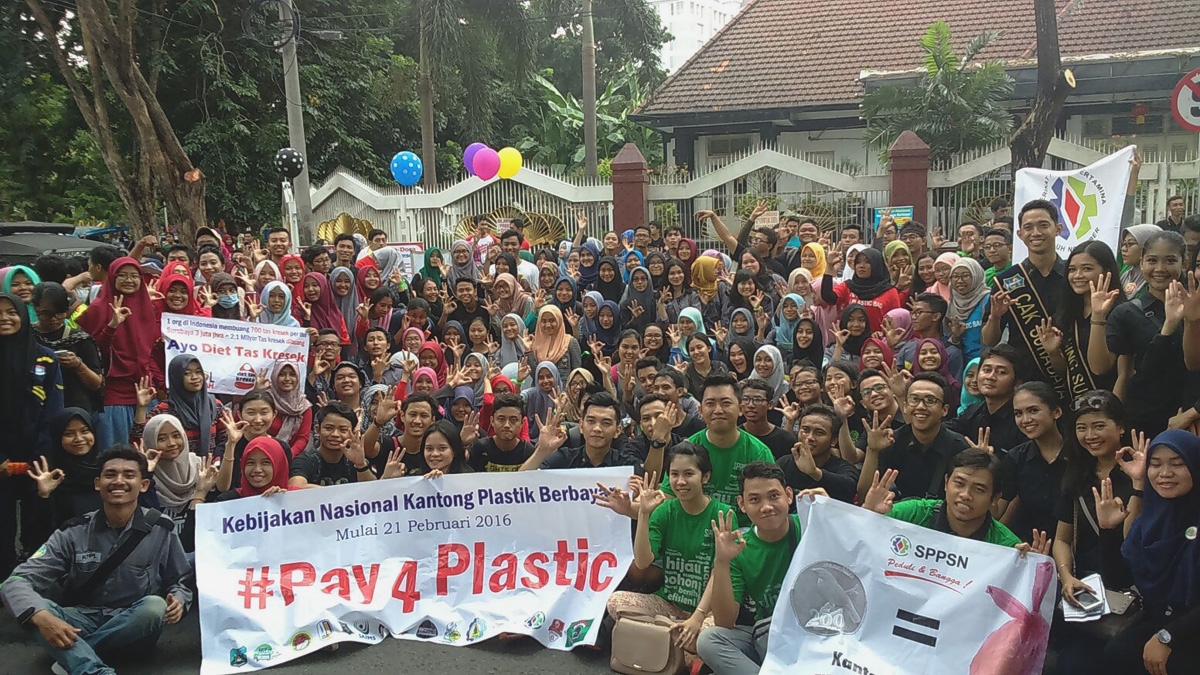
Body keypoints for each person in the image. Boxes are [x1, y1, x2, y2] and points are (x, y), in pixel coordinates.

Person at [1, 446, 192, 675]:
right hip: (81, 619)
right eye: (110, 475)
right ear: (97, 483)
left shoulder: (161, 528)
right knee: (33, 609)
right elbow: (15, 582)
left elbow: (180, 579)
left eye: (129, 475)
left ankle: (74, 655)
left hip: (133, 623)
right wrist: (42, 618)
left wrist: (179, 599)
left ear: (143, 485)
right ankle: (93, 669)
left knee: (154, 607)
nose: (118, 481)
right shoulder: (73, 531)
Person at [596, 443, 732, 658]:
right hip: (670, 605)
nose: (680, 481)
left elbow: (719, 571)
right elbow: (642, 562)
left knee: (710, 636)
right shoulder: (665, 511)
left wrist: (698, 616)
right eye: (674, 474)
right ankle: (683, 648)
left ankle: (662, 641)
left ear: (705, 477)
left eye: (689, 474)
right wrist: (643, 514)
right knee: (615, 602)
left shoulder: (723, 514)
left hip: (708, 612)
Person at [1052, 390, 1147, 673]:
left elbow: (1133, 540)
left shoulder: (1143, 474)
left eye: (1099, 426)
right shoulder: (1076, 475)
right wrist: (1067, 575)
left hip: (1134, 592)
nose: (1090, 435)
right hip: (1089, 592)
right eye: (1081, 428)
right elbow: (1061, 539)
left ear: (1120, 427)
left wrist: (1139, 485)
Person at [1099, 430, 1200, 673]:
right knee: (1116, 652)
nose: (1165, 473)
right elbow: (1119, 580)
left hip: (1187, 629)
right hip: (1161, 620)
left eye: (1178, 464)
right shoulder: (1151, 519)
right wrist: (1109, 530)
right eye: (1155, 464)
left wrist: (1167, 636)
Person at [696, 462, 802, 674]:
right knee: (709, 640)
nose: (766, 507)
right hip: (769, 639)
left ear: (788, 496)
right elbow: (724, 621)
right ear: (742, 504)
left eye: (774, 496)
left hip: (815, 632)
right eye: (755, 499)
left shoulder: (809, 525)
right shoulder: (740, 547)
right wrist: (722, 561)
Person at [0, 292, 65, 577]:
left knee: (38, 523)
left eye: (11, 312)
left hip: (37, 460)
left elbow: (53, 409)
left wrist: (41, 458)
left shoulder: (46, 358)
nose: (5, 318)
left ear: (24, 316)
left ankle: (35, 580)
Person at [862, 450, 1042, 552]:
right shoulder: (914, 512)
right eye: (959, 483)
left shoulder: (1007, 546)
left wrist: (1034, 569)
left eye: (979, 489)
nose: (965, 495)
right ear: (947, 482)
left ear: (994, 498)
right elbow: (859, 537)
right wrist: (867, 514)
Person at [1102, 231, 1189, 436]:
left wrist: (1193, 412)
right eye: (1152, 260)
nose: (1160, 269)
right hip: (1143, 421)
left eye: (1170, 261)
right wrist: (1168, 326)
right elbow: (1139, 376)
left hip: (1190, 416)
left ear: (1184, 263)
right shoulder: (1126, 313)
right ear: (1141, 263)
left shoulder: (1194, 308)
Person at [77, 257, 163, 450]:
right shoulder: (98, 309)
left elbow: (148, 352)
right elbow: (94, 353)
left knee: (148, 453)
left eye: (134, 276)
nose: (129, 280)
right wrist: (112, 325)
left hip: (145, 391)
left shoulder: (148, 308)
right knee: (118, 452)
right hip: (114, 395)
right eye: (122, 275)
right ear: (112, 278)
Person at [664, 374, 775, 519]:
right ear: (701, 410)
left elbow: (769, 502)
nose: (718, 410)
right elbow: (668, 498)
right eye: (710, 403)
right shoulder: (686, 449)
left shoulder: (759, 452)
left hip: (742, 531)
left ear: (741, 409)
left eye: (726, 403)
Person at [983, 199, 1067, 385]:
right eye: (1028, 227)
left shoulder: (1073, 275)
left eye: (1043, 225)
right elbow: (989, 340)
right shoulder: (1006, 280)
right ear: (1020, 234)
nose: (1036, 233)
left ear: (1058, 229)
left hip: (1072, 374)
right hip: (1024, 378)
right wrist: (995, 317)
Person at [857, 372, 970, 502]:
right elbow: (864, 497)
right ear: (905, 406)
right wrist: (872, 450)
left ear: (944, 410)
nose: (920, 407)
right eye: (914, 399)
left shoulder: (960, 448)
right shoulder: (893, 441)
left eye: (930, 400)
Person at [997, 382, 1066, 545]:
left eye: (1033, 410)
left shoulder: (1080, 454)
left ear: (1056, 412)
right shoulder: (1015, 458)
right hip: (1028, 550)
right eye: (1018, 413)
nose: (1025, 420)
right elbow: (998, 510)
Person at [519, 393, 642, 471]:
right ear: (581, 426)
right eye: (591, 421)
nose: (597, 428)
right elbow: (519, 484)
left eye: (606, 423)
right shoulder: (564, 459)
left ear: (617, 430)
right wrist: (542, 451)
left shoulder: (628, 466)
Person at [133, 354, 225, 457]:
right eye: (187, 373)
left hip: (209, 469)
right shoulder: (164, 409)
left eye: (198, 372)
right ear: (176, 377)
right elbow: (139, 441)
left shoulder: (215, 406)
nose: (194, 377)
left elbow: (225, 440)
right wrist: (141, 408)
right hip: (174, 469)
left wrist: (216, 463)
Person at [33, 283, 104, 415]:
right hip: (36, 408)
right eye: (46, 314)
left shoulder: (79, 339)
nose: (54, 319)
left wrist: (78, 365)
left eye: (60, 313)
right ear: (36, 309)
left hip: (73, 409)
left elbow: (97, 383)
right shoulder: (29, 337)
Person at [777, 404, 860, 503]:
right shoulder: (784, 463)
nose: (810, 437)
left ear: (833, 440)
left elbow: (848, 488)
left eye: (819, 432)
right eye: (805, 430)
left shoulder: (844, 468)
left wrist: (814, 472)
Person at [954, 344, 1027, 456]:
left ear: (1017, 382)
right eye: (986, 370)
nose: (990, 377)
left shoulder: (1023, 420)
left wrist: (989, 461)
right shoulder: (972, 412)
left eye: (1001, 372)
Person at [288, 403, 376, 487]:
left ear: (352, 433)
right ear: (317, 430)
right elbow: (295, 487)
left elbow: (373, 491)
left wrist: (360, 465)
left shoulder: (356, 460)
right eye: (329, 428)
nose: (335, 434)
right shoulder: (305, 460)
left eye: (343, 430)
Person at [740, 380, 796, 459]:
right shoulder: (735, 436)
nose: (750, 405)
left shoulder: (785, 440)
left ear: (770, 405)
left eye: (758, 400)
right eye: (745, 399)